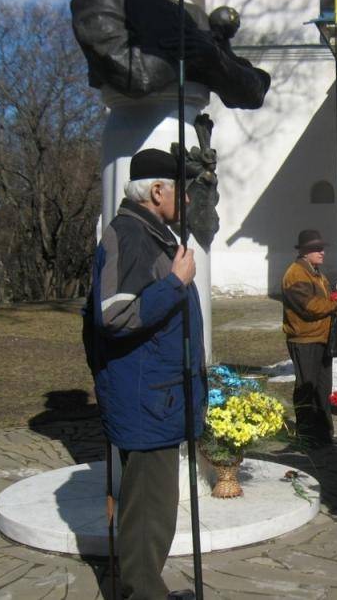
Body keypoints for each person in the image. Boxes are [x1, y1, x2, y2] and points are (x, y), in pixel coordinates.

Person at [83, 148, 206, 599]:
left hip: (154, 396)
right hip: (148, 399)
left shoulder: (147, 234)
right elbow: (114, 316)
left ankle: (145, 590)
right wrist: (175, 284)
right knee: (148, 514)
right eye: (181, 191)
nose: (187, 200)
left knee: (149, 510)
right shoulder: (132, 235)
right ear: (157, 191)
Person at [282, 229, 337, 447]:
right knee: (307, 388)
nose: (322, 252)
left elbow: (326, 299)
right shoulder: (295, 274)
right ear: (304, 251)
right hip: (304, 339)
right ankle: (307, 436)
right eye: (316, 249)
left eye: (322, 248)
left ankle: (324, 434)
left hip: (321, 337)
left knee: (322, 388)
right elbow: (311, 307)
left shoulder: (316, 272)